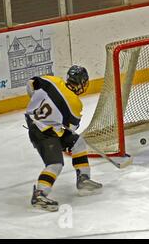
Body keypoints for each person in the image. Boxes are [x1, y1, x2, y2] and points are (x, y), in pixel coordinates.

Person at [25, 65, 102, 212]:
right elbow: (71, 127)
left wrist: (35, 102)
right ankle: (40, 194)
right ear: (81, 84)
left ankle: (83, 179)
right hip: (43, 133)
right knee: (55, 164)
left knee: (77, 142)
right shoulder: (75, 104)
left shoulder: (52, 80)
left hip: (38, 125)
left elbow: (30, 84)